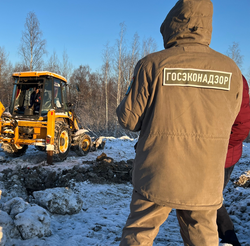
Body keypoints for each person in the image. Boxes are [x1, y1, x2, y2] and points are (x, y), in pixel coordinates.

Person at [116, 0, 243, 245]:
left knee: (139, 234)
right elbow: (232, 119)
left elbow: (128, 119)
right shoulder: (232, 70)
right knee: (203, 236)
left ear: (172, 24)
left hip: (157, 173)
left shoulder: (151, 65)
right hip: (205, 178)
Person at [218, 75, 250, 246]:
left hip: (224, 155)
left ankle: (229, 239)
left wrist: (217, 146)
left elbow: (242, 124)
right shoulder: (235, 75)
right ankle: (229, 239)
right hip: (218, 152)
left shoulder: (235, 77)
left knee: (210, 200)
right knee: (209, 199)